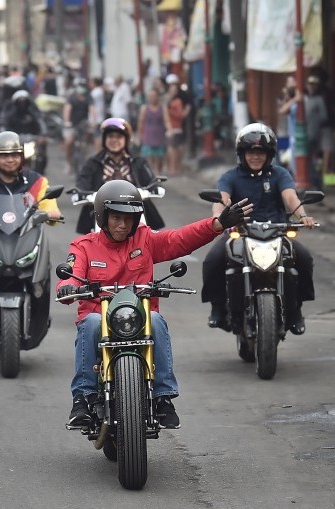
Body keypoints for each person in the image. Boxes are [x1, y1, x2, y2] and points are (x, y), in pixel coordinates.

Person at [57, 179, 252, 429]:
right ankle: (82, 398)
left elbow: (180, 239)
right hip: (99, 315)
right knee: (91, 322)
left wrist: (218, 224)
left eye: (129, 218)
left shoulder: (145, 239)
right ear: (102, 217)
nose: (122, 224)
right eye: (116, 217)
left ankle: (163, 397)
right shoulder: (84, 246)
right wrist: (68, 288)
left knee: (157, 320)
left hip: (140, 317)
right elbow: (71, 272)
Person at [201, 123, 316, 335]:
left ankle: (296, 310)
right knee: (212, 261)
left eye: (260, 152)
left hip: (276, 233)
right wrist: (218, 217)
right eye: (251, 152)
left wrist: (303, 215)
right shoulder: (230, 176)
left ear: (269, 154)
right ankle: (217, 307)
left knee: (304, 258)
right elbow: (221, 199)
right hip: (240, 233)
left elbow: (290, 197)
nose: (255, 156)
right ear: (242, 154)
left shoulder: (280, 174)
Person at [75, 117, 164, 234]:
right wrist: (81, 192)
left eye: (119, 137)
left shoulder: (138, 162)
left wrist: (154, 187)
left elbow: (151, 181)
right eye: (110, 136)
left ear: (126, 140)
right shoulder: (92, 163)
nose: (114, 140)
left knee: (152, 242)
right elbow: (82, 182)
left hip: (135, 211)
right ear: (104, 139)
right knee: (88, 246)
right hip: (102, 212)